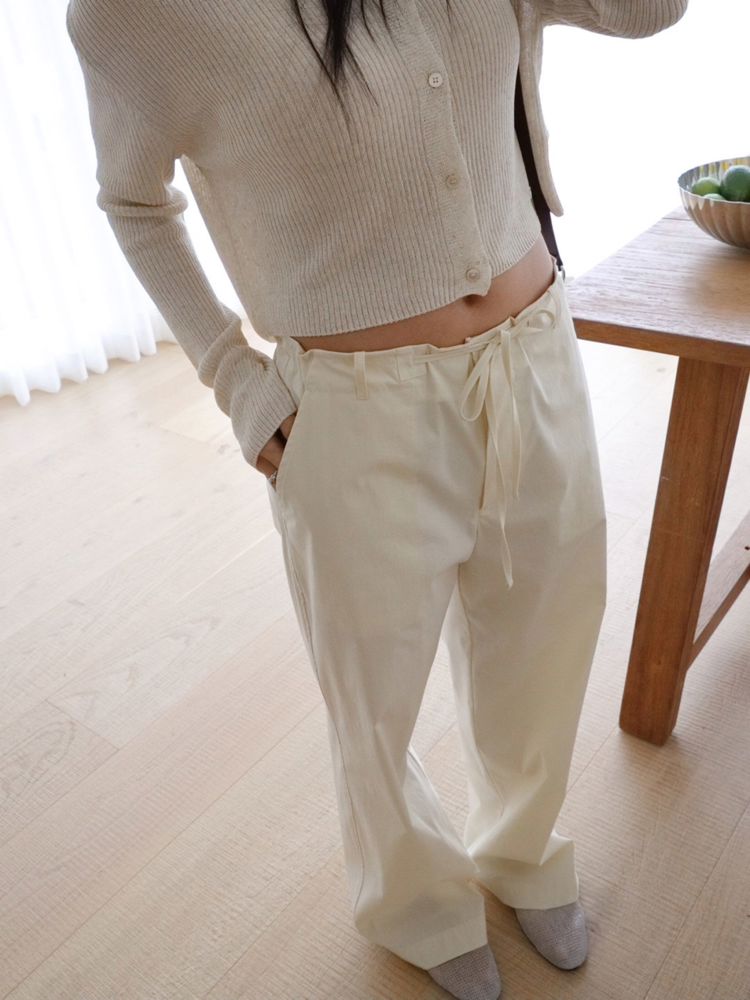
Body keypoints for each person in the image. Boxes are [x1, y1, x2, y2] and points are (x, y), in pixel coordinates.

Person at [66, 1, 688, 996]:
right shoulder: (135, 14)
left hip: (533, 355)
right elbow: (133, 201)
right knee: (374, 692)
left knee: (548, 633)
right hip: (353, 410)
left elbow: (651, 12)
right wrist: (235, 374)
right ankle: (417, 903)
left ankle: (521, 850)